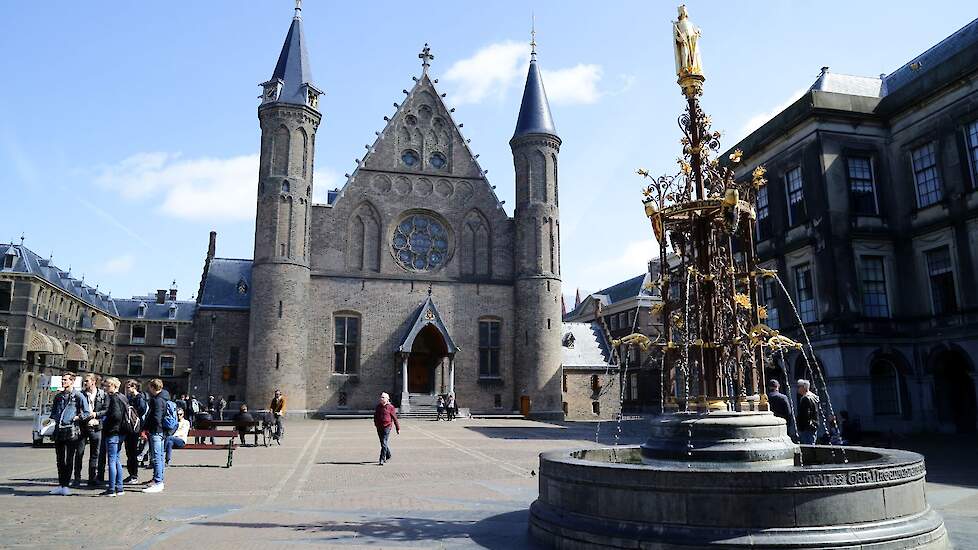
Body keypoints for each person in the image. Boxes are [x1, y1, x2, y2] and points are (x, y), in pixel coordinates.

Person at [49, 372, 90, 495]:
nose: (63, 382)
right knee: (59, 459)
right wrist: (56, 419)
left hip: (72, 430)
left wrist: (77, 417)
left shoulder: (78, 396)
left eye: (66, 380)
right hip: (59, 430)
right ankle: (61, 484)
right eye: (62, 380)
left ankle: (66, 485)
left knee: (69, 458)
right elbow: (54, 412)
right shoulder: (58, 397)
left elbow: (87, 412)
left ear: (72, 381)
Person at [75, 373, 107, 488]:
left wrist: (96, 414)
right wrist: (82, 416)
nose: (85, 383)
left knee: (95, 454)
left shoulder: (102, 394)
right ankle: (77, 478)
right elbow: (76, 409)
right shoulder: (80, 395)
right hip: (82, 426)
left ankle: (92, 478)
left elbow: (106, 410)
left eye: (87, 381)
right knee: (79, 453)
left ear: (93, 382)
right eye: (84, 381)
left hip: (96, 427)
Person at [99, 377, 129, 497]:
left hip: (113, 432)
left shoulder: (113, 398)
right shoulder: (123, 397)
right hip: (121, 432)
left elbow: (116, 416)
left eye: (107, 386)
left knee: (111, 461)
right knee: (116, 459)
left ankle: (111, 489)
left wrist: (105, 422)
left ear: (113, 386)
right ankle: (119, 487)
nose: (105, 388)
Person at [142, 379, 167, 493]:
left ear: (153, 388)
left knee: (156, 457)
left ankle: (158, 482)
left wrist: (148, 428)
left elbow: (156, 418)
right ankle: (158, 479)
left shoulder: (157, 401)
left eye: (149, 387)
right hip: (161, 431)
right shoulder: (164, 399)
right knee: (160, 457)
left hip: (156, 431)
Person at [122, 379, 146, 483]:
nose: (126, 390)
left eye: (128, 387)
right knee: (129, 452)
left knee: (132, 452)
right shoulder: (130, 398)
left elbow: (141, 411)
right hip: (129, 427)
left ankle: (134, 475)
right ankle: (131, 474)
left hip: (134, 428)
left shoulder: (139, 398)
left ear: (134, 387)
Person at [373, 392, 400, 465]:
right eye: (381, 397)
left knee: (384, 442)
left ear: (387, 399)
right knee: (382, 443)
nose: (381, 399)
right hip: (379, 427)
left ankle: (382, 459)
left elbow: (395, 418)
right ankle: (388, 454)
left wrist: (398, 428)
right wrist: (375, 424)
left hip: (387, 427)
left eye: (383, 397)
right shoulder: (378, 406)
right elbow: (375, 416)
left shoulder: (391, 407)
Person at [796, 379, 820, 445]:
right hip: (813, 425)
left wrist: (801, 426)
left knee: (808, 447)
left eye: (798, 386)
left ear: (804, 387)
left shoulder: (805, 398)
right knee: (812, 444)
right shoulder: (813, 396)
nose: (797, 388)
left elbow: (805, 415)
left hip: (807, 427)